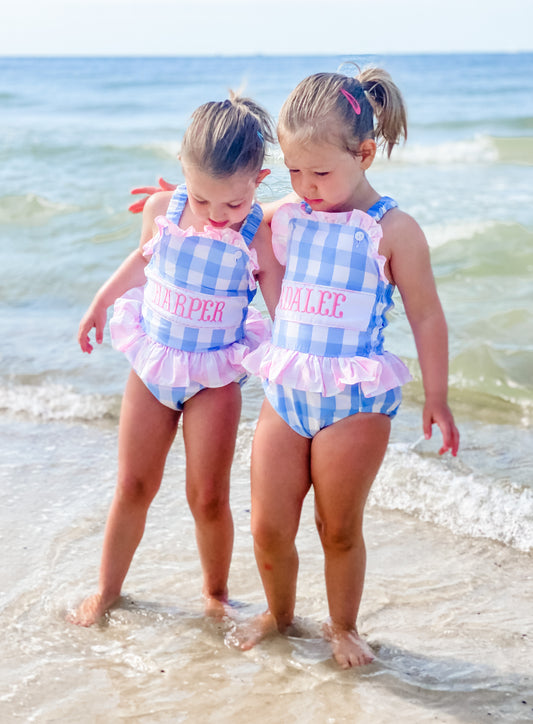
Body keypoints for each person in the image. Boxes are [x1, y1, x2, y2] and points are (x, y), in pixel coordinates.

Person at [237, 69, 460, 668]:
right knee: (268, 528)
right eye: (293, 172)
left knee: (337, 528)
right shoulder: (286, 213)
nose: (305, 185)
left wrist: (436, 395)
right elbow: (223, 211)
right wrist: (174, 202)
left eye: (320, 172)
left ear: (364, 154)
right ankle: (279, 615)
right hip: (286, 390)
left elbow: (428, 316)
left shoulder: (394, 230)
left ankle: (343, 627)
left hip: (355, 401)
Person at [68, 93, 283, 627]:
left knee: (208, 496)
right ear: (183, 175)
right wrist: (100, 303)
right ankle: (108, 590)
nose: (215, 217)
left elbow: (282, 310)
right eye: (203, 200)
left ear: (259, 179)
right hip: (154, 365)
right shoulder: (165, 209)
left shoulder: (259, 234)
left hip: (214, 377)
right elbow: (141, 264)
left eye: (231, 205)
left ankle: (216, 594)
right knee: (133, 485)